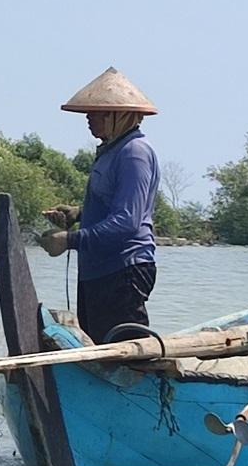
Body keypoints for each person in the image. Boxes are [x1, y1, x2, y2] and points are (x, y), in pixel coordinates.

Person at [39, 67, 160, 344]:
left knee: (122, 354)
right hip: (97, 270)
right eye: (88, 112)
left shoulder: (134, 153)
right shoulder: (112, 150)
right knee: (98, 349)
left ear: (120, 115)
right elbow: (112, 206)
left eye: (97, 112)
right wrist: (78, 214)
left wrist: (69, 240)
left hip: (123, 271)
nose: (88, 118)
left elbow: (128, 221)